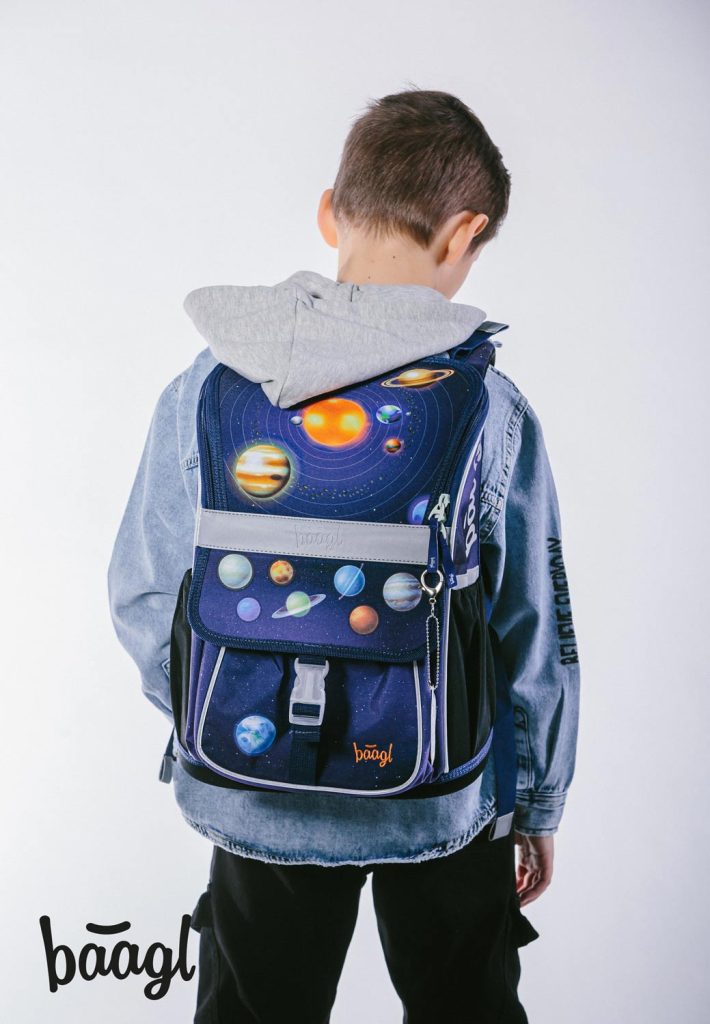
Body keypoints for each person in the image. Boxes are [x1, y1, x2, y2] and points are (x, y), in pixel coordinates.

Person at [107, 88, 580, 1023]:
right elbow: (530, 627)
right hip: (442, 795)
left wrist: (221, 715)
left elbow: (145, 592)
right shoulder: (488, 408)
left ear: (331, 212)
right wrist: (535, 801)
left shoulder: (208, 387)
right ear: (466, 234)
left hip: (252, 789)